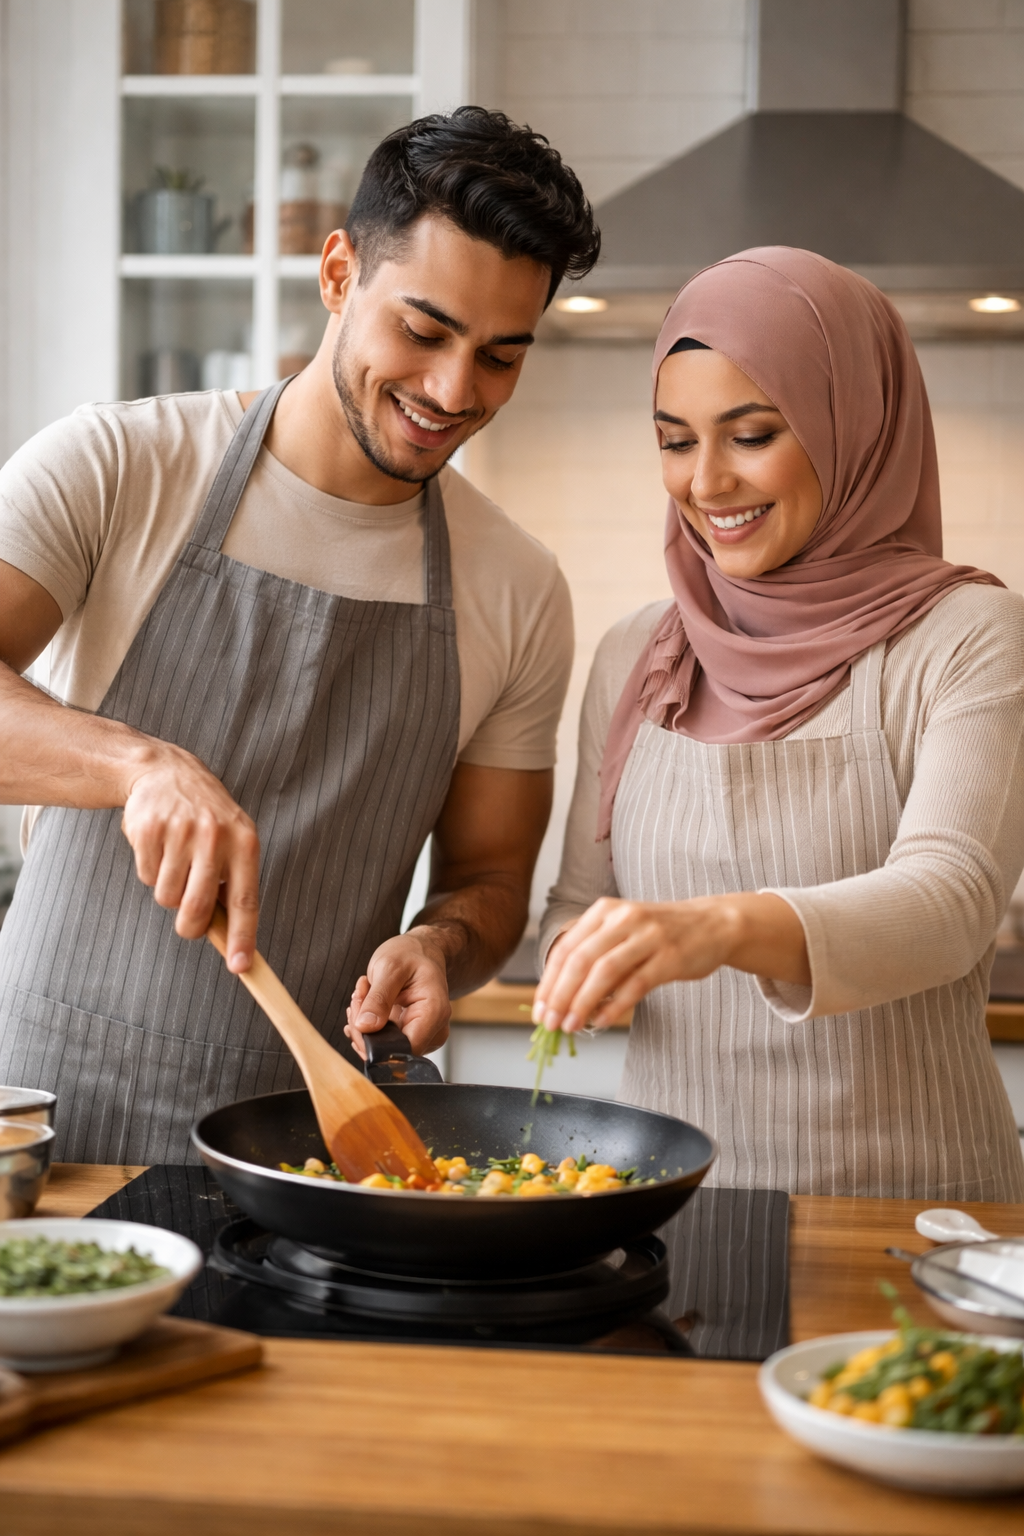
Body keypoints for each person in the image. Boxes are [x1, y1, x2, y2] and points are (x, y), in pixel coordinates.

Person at [0, 107, 600, 1164]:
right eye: (422, 331)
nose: (454, 392)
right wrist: (137, 764)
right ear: (337, 273)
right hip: (52, 1122)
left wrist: (441, 945)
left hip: (316, 1146)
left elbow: (492, 880)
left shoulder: (516, 586)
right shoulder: (118, 465)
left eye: (501, 357)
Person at [537, 246, 1024, 1201]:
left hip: (909, 1204)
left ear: (854, 430)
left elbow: (953, 901)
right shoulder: (640, 650)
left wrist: (718, 929)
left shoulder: (967, 636)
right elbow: (575, 907)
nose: (705, 483)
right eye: (675, 440)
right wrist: (578, 966)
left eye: (751, 434)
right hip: (669, 1205)